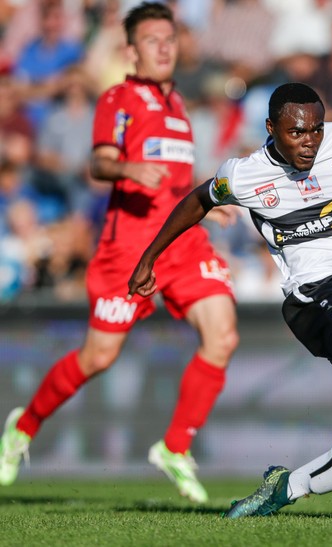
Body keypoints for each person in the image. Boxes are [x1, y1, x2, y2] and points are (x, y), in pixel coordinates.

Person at [127, 82, 332, 520]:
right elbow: (197, 201)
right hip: (318, 286)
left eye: (316, 130)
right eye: (296, 133)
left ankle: (285, 488)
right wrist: (150, 257)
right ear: (271, 128)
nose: (309, 141)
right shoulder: (244, 174)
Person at [0, 2, 239, 504]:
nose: (164, 47)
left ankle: (175, 447)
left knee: (222, 334)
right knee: (98, 357)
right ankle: (25, 425)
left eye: (169, 37)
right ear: (131, 50)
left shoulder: (180, 110)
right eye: (152, 39)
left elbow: (174, 184)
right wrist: (128, 171)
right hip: (128, 249)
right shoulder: (119, 99)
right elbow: (99, 162)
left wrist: (206, 208)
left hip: (180, 241)